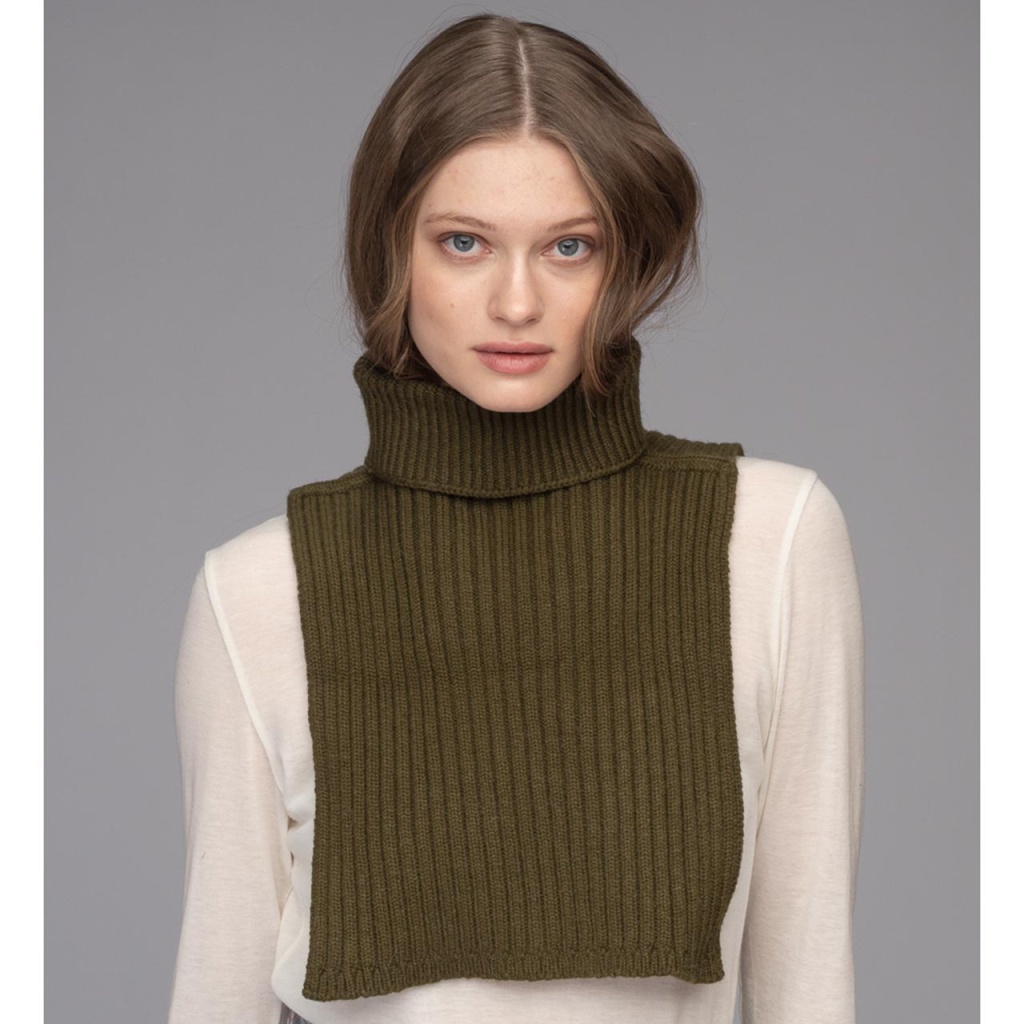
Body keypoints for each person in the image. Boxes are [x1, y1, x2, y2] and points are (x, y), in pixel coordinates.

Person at [168, 13, 864, 1024]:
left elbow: (809, 986)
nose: (516, 301)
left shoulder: (771, 538)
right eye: (464, 243)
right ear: (389, 250)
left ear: (625, 258)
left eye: (569, 246)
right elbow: (217, 988)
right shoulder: (257, 590)